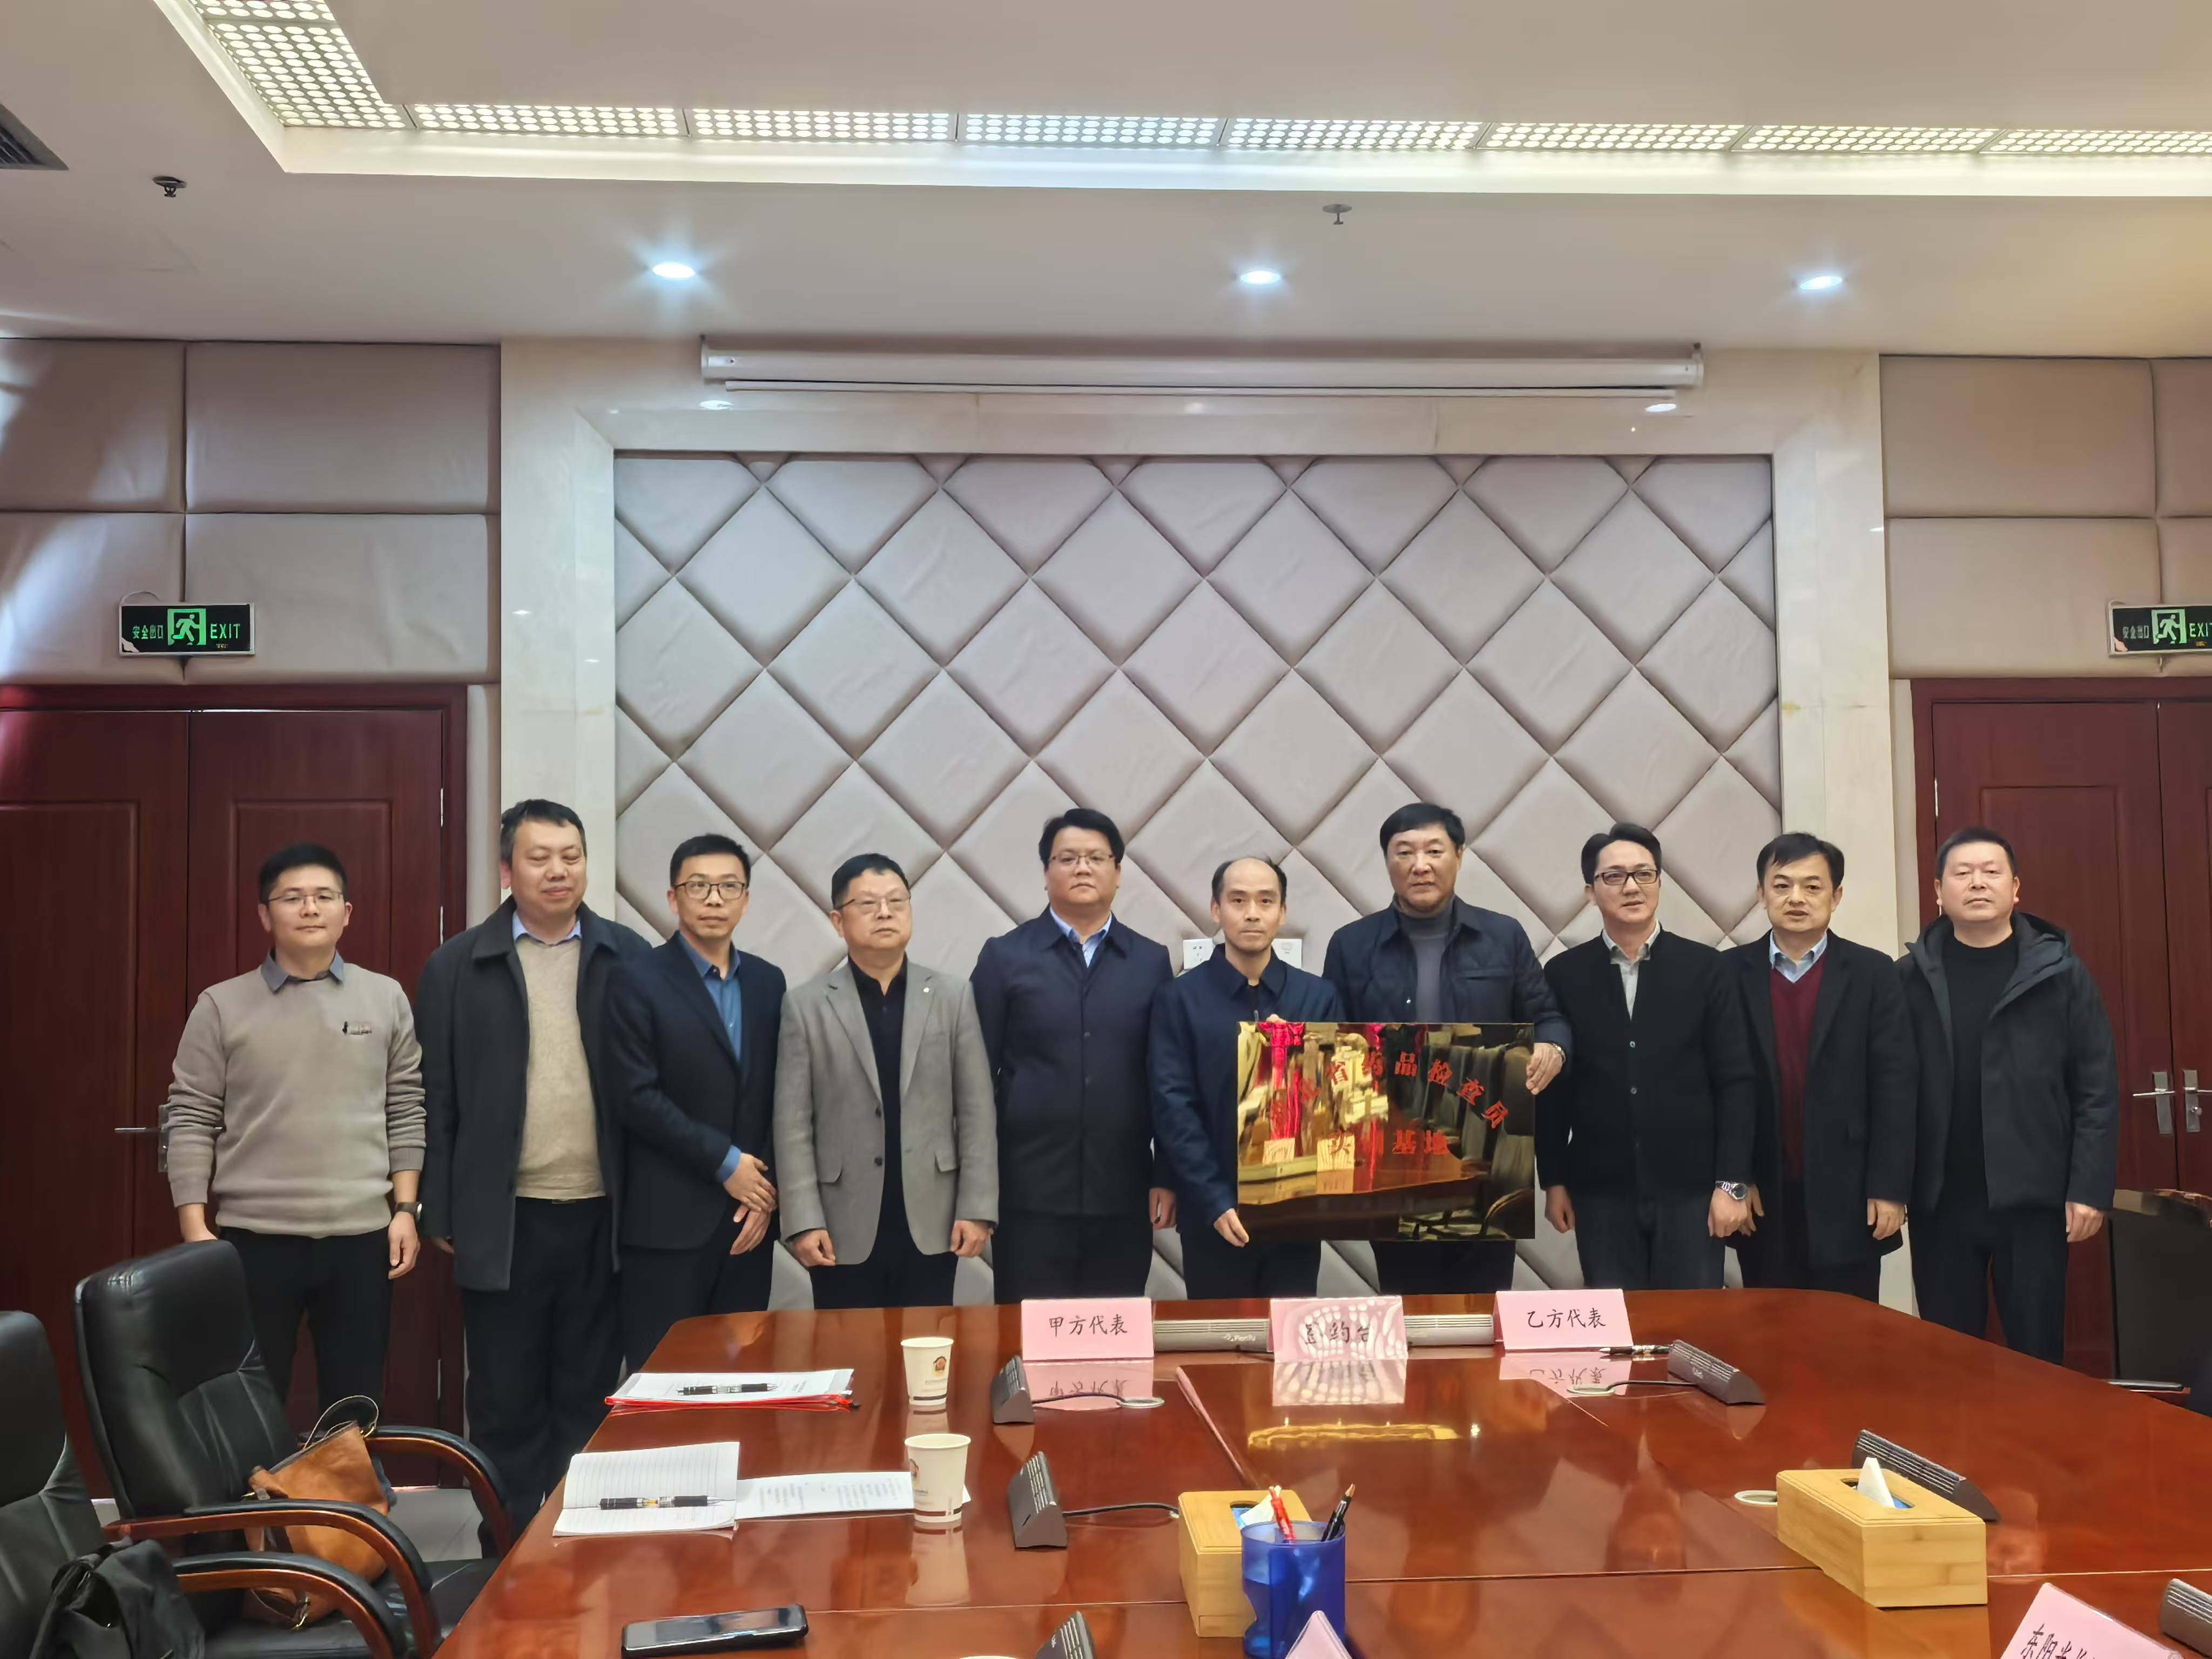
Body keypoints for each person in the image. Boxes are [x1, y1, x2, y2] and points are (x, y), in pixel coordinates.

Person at [416, 799, 650, 1520]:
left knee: (589, 1396)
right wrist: (439, 1208)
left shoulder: (629, 957)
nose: (557, 871)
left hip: (603, 1215)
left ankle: (575, 1549)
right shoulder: (458, 965)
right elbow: (436, 1095)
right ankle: (507, 1552)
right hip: (503, 1219)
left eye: (570, 856)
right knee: (505, 1399)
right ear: (506, 870)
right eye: (539, 857)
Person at [164, 842, 423, 1416]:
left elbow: (405, 1105)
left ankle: (346, 1479)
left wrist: (405, 1210)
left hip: (362, 1237)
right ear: (265, 914)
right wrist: (194, 1227)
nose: (310, 908)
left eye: (324, 896)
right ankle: (256, 1482)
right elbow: (191, 1114)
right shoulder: (221, 1005)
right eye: (292, 898)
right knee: (249, 1403)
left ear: (346, 913)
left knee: (355, 1403)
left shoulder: (385, 997)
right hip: (253, 1241)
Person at [1321, 802, 1570, 1296]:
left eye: (1434, 851)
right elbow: (1331, 1039)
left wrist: (1554, 1048)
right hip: (1393, 1158)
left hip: (1489, 1155)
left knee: (1484, 1305)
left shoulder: (1503, 936)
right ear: (1387, 862)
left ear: (1459, 856)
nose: (1420, 865)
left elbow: (1549, 1016)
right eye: (1405, 853)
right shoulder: (1351, 945)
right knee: (1407, 1304)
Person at [1898, 826, 2119, 1364]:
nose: (1977, 883)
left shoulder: (2060, 975)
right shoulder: (1909, 978)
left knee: (2037, 1356)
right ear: (1938, 891)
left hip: (2035, 1199)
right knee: (1948, 1356)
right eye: (1962, 873)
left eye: (1991, 872)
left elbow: (2095, 1087)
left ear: (2015, 888)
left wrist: (2089, 1188)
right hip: (1941, 1199)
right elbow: (1888, 1086)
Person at [1537, 823, 1757, 1291]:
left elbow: (1737, 1082)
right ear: (1590, 891)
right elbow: (1553, 1092)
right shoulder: (1563, 974)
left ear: (1659, 882)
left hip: (1693, 1192)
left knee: (1691, 1325)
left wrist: (1732, 1184)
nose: (1631, 887)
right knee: (1616, 1325)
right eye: (1614, 877)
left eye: (1644, 874)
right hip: (1600, 1191)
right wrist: (1553, 1179)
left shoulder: (1707, 968)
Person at [773, 854, 997, 1309]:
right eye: (868, 903)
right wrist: (803, 1220)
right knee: (846, 1345)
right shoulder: (806, 1006)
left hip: (933, 1217)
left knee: (928, 1347)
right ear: (838, 921)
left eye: (897, 901)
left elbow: (976, 1111)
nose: (885, 913)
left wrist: (977, 1209)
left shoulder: (953, 997)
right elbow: (792, 1124)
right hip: (840, 1221)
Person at [972, 809, 1175, 1302]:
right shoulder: (1005, 957)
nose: (1082, 868)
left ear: (1118, 873)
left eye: (1096, 858)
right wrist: (977, 1191)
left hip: (1123, 1191)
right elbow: (973, 1079)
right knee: (1028, 1334)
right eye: (1067, 859)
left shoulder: (1150, 962)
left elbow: (1167, 1078)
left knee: (1112, 1334)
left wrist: (1166, 1175)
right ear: (1046, 873)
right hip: (1027, 1195)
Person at [606, 833, 786, 1366]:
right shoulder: (634, 979)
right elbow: (635, 1096)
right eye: (699, 886)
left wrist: (764, 1193)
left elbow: (782, 1095)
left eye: (729, 887)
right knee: (664, 1383)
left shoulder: (769, 982)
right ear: (673, 898)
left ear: (745, 900)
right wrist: (725, 1163)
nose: (714, 899)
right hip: (666, 1226)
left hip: (748, 1224)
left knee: (744, 1381)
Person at [1723, 833, 1915, 1302]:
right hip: (1762, 1190)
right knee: (1770, 1324)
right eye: (1782, 885)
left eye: (1812, 887)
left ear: (1837, 896)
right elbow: (1718, 1087)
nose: (1796, 898)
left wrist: (1890, 1187)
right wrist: (1735, 1180)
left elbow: (1895, 1085)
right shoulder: (1726, 973)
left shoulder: (1873, 973)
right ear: (1761, 894)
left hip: (1851, 1190)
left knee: (1848, 1329)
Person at [1151, 856, 1345, 1300]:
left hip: (1297, 1212)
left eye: (1266, 901)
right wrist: (1213, 1199)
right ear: (1216, 910)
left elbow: (1338, 1102)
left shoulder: (1319, 997)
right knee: (1221, 1336)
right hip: (1212, 1213)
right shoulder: (1179, 998)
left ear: (1283, 912)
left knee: (1291, 1335)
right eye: (1238, 901)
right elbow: (1173, 1106)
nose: (1252, 913)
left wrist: (1299, 1058)